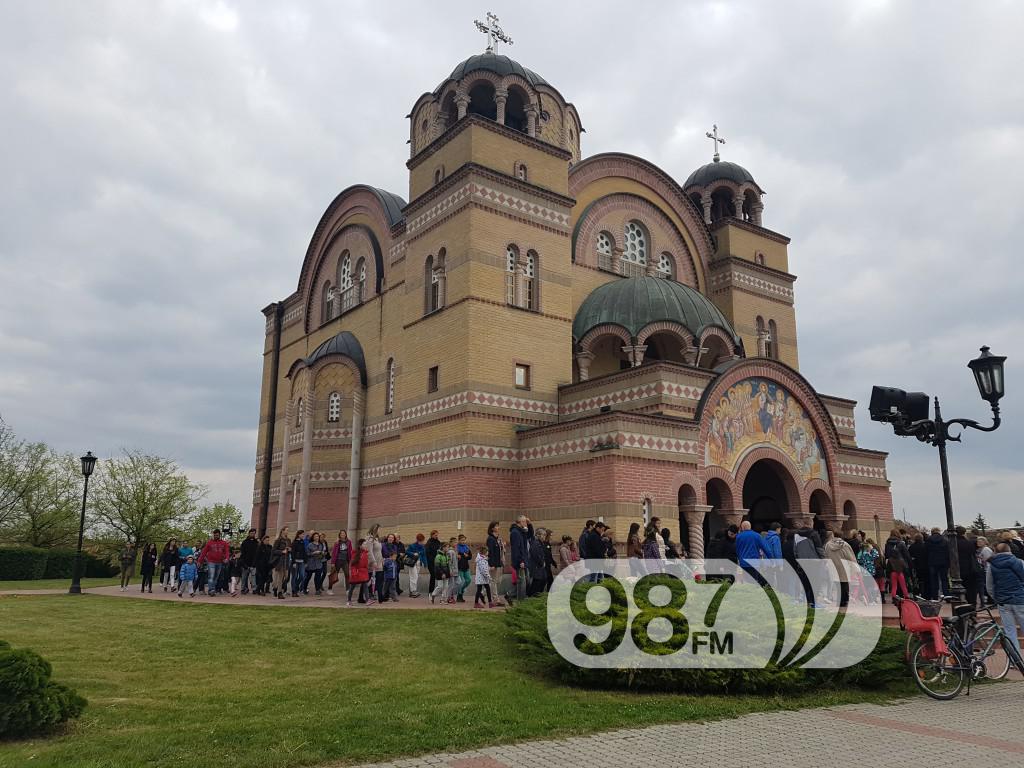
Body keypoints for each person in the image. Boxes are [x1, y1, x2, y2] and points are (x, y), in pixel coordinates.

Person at [986, 542, 1024, 655]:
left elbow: (989, 586)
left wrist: (996, 598)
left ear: (996, 552)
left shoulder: (991, 565)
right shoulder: (1019, 562)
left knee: (1009, 631)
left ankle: (1016, 659)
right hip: (1020, 600)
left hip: (1003, 602)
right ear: (1010, 550)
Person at [823, 530, 858, 606]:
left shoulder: (828, 545)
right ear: (841, 536)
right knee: (845, 584)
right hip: (844, 567)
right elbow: (850, 557)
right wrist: (854, 567)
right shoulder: (845, 545)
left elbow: (825, 556)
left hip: (833, 567)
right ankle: (844, 602)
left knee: (837, 585)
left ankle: (839, 601)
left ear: (834, 535)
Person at [198, 529, 231, 597]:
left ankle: (213, 589)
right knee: (211, 576)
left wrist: (227, 558)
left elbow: (227, 552)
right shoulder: (209, 543)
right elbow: (204, 552)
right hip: (211, 562)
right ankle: (211, 590)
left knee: (216, 577)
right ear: (213, 535)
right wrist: (199, 561)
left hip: (219, 562)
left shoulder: (224, 543)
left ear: (219, 535)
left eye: (217, 535)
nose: (216, 536)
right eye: (215, 535)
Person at [509, 515, 534, 602]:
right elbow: (516, 548)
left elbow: (530, 535)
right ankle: (520, 601)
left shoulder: (522, 531)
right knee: (522, 582)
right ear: (519, 522)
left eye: (526, 522)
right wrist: (521, 561)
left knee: (526, 580)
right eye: (524, 521)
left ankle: (518, 598)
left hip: (524, 559)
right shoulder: (515, 532)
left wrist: (530, 525)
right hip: (520, 561)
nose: (525, 523)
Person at [884, 528, 912, 600]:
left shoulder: (887, 544)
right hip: (901, 566)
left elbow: (886, 555)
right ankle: (905, 596)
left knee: (894, 584)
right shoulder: (901, 543)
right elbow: (906, 555)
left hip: (891, 566)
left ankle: (894, 597)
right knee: (903, 583)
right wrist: (910, 564)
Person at [955, 526, 979, 607]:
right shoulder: (969, 543)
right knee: (971, 590)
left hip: (958, 569)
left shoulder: (953, 543)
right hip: (970, 568)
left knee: (958, 592)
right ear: (964, 533)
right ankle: (972, 606)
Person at [925, 527, 950, 599]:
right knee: (944, 579)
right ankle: (946, 595)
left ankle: (935, 596)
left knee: (933, 580)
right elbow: (948, 552)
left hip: (932, 562)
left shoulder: (928, 540)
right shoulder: (945, 540)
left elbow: (926, 552)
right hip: (943, 562)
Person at [485, 522, 505, 604]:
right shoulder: (490, 539)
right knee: (493, 581)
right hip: (493, 563)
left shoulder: (497, 539)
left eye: (498, 526)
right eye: (496, 526)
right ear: (492, 528)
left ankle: (482, 593)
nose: (498, 527)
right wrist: (491, 564)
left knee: (496, 581)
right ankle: (495, 599)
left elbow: (499, 551)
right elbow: (490, 552)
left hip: (498, 562)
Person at [365, 524, 384, 604]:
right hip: (373, 563)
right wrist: (373, 562)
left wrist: (382, 559)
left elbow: (379, 551)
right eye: (379, 529)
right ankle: (368, 596)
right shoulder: (370, 539)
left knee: (380, 580)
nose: (380, 531)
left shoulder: (377, 539)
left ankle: (380, 597)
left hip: (379, 562)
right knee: (369, 581)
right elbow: (369, 552)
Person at [347, 539, 370, 606]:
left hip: (363, 572)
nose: (366, 545)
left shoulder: (365, 553)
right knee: (352, 587)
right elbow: (352, 565)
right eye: (364, 544)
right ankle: (349, 600)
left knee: (365, 586)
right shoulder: (355, 553)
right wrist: (354, 572)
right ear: (360, 545)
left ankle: (367, 600)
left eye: (366, 544)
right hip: (356, 573)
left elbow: (365, 564)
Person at [271, 527, 291, 600]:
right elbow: (273, 551)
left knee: (286, 577)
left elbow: (290, 549)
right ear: (282, 531)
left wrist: (289, 550)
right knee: (280, 577)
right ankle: (279, 592)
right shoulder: (278, 540)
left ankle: (276, 588)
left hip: (286, 560)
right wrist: (281, 551)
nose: (287, 532)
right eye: (286, 530)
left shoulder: (288, 540)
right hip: (280, 561)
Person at [330, 530, 352, 597]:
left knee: (347, 574)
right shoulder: (337, 542)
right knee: (334, 575)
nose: (343, 535)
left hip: (345, 560)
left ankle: (347, 590)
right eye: (341, 534)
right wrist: (333, 562)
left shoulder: (349, 542)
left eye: (344, 533)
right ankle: (330, 588)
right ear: (339, 535)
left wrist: (351, 561)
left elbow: (350, 551)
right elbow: (334, 553)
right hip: (338, 560)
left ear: (346, 534)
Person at [431, 540, 453, 604]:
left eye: (448, 547)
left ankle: (443, 600)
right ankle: (433, 594)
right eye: (447, 547)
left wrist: (450, 571)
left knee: (446, 587)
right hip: (440, 574)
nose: (448, 549)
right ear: (443, 547)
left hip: (447, 573)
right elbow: (437, 566)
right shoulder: (438, 556)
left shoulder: (447, 555)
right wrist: (442, 573)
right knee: (440, 586)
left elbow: (449, 564)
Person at [527, 529, 547, 597]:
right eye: (543, 535)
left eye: (545, 535)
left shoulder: (540, 543)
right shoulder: (535, 543)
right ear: (538, 535)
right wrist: (541, 563)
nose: (544, 537)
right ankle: (532, 596)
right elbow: (536, 555)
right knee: (537, 582)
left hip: (540, 566)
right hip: (536, 566)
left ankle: (537, 595)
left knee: (543, 580)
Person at [405, 533, 426, 597]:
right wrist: (413, 553)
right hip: (412, 563)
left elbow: (424, 555)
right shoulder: (412, 545)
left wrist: (425, 563)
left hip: (418, 563)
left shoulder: (422, 547)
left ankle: (414, 590)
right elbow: (407, 552)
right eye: (421, 541)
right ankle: (412, 591)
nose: (422, 542)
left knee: (415, 577)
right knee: (413, 576)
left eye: (422, 540)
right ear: (418, 540)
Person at [239, 528, 259, 595]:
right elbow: (242, 553)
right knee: (244, 577)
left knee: (253, 577)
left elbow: (257, 553)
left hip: (253, 563)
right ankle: (243, 589)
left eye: (254, 533)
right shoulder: (244, 542)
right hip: (245, 562)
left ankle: (254, 589)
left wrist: (255, 563)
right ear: (249, 533)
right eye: (251, 533)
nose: (252, 534)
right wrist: (243, 563)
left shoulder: (256, 543)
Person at [908, 532, 929, 597]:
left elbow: (909, 556)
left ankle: (916, 593)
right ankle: (925, 594)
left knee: (916, 581)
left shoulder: (912, 547)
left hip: (915, 566)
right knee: (925, 580)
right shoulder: (925, 545)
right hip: (925, 566)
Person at [976, 536, 994, 606]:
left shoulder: (986, 549)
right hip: (984, 568)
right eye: (978, 542)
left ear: (985, 542)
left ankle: (991, 599)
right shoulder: (980, 549)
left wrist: (981, 559)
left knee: (986, 584)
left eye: (980, 542)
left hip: (987, 568)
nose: (978, 543)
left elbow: (988, 559)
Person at [289, 530, 307, 597]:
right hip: (295, 561)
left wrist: (305, 561)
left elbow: (304, 552)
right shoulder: (294, 542)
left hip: (301, 561)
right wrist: (293, 562)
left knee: (302, 576)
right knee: (294, 576)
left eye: (303, 534)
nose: (303, 536)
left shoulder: (302, 542)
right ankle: (294, 591)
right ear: (299, 535)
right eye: (302, 534)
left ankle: (296, 587)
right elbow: (292, 553)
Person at [425, 530, 442, 596]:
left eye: (437, 535)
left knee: (438, 576)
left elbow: (440, 549)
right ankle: (430, 591)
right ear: (432, 535)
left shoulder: (438, 542)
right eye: (435, 535)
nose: (436, 536)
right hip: (431, 562)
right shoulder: (429, 543)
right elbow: (427, 552)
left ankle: (437, 591)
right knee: (433, 576)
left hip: (438, 561)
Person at [456, 534, 472, 602]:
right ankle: (459, 596)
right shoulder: (456, 548)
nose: (463, 541)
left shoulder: (467, 548)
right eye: (462, 540)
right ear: (459, 540)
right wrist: (457, 556)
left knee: (468, 580)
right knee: (461, 582)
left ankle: (461, 591)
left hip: (466, 567)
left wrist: (467, 556)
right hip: (459, 567)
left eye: (464, 540)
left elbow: (470, 557)